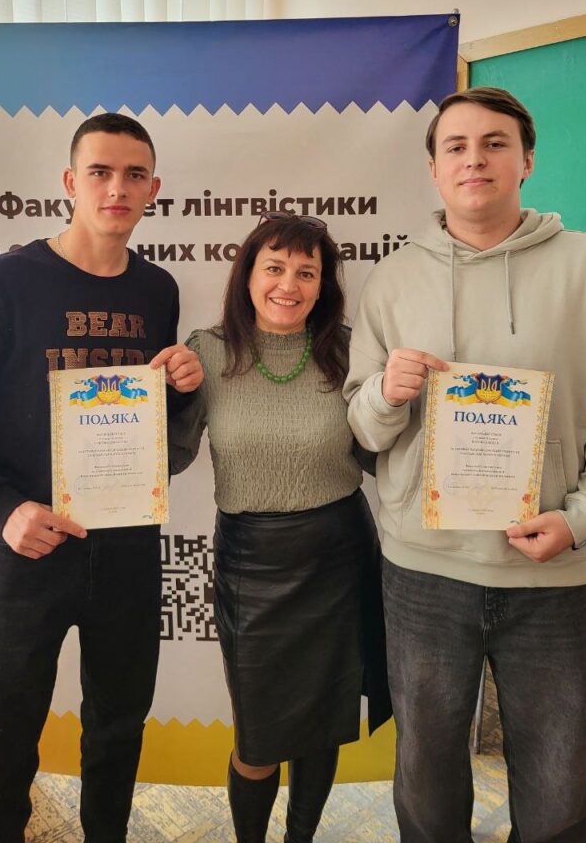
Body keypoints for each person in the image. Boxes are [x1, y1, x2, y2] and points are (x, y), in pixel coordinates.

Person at [344, 86, 586, 843]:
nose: (474, 159)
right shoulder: (393, 277)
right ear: (433, 168)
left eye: (494, 143)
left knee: (556, 788)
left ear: (527, 160)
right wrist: (385, 395)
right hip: (424, 573)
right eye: (455, 146)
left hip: (555, 573)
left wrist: (583, 519)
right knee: (425, 774)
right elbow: (361, 424)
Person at [0, 112, 203, 843]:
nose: (117, 188)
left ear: (154, 189)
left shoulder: (157, 290)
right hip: (29, 552)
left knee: (118, 730)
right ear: (71, 182)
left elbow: (148, 426)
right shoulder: (3, 283)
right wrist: (2, 507)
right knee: (4, 744)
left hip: (128, 550)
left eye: (134, 174)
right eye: (100, 172)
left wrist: (182, 390)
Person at [171, 213, 390, 843]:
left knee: (323, 727)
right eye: (274, 268)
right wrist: (166, 397)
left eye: (306, 273)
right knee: (259, 739)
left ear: (324, 286)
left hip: (339, 559)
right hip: (252, 565)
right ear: (247, 276)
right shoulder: (206, 350)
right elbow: (173, 457)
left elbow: (378, 456)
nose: (288, 285)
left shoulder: (348, 349)